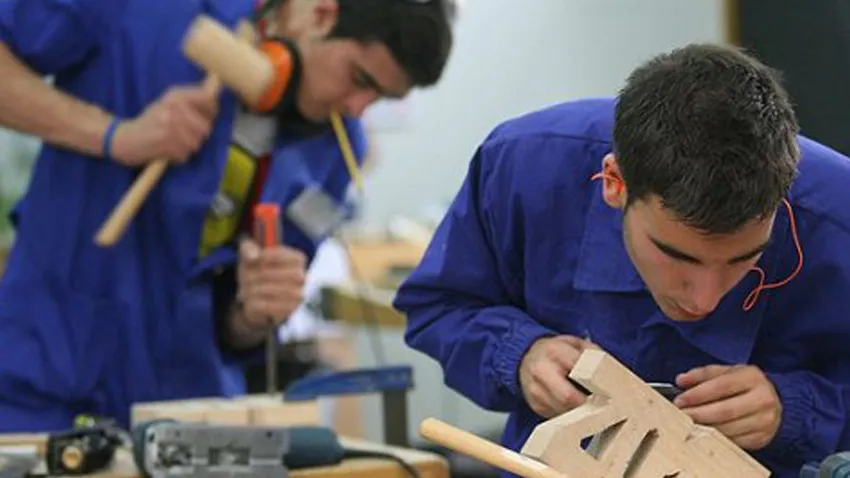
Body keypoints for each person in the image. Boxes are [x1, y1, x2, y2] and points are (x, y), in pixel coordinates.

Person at [393, 43, 850, 478]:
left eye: (743, 259)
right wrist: (518, 354)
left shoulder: (839, 216)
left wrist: (800, 409)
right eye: (677, 256)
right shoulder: (528, 166)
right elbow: (440, 306)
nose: (704, 299)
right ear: (614, 182)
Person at [0, 0, 452, 431]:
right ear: (321, 13)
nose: (356, 108)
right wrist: (114, 136)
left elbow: (235, 327)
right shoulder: (146, 12)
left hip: (190, 409)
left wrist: (251, 314)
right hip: (49, 375)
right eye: (359, 78)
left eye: (379, 97)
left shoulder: (337, 147)